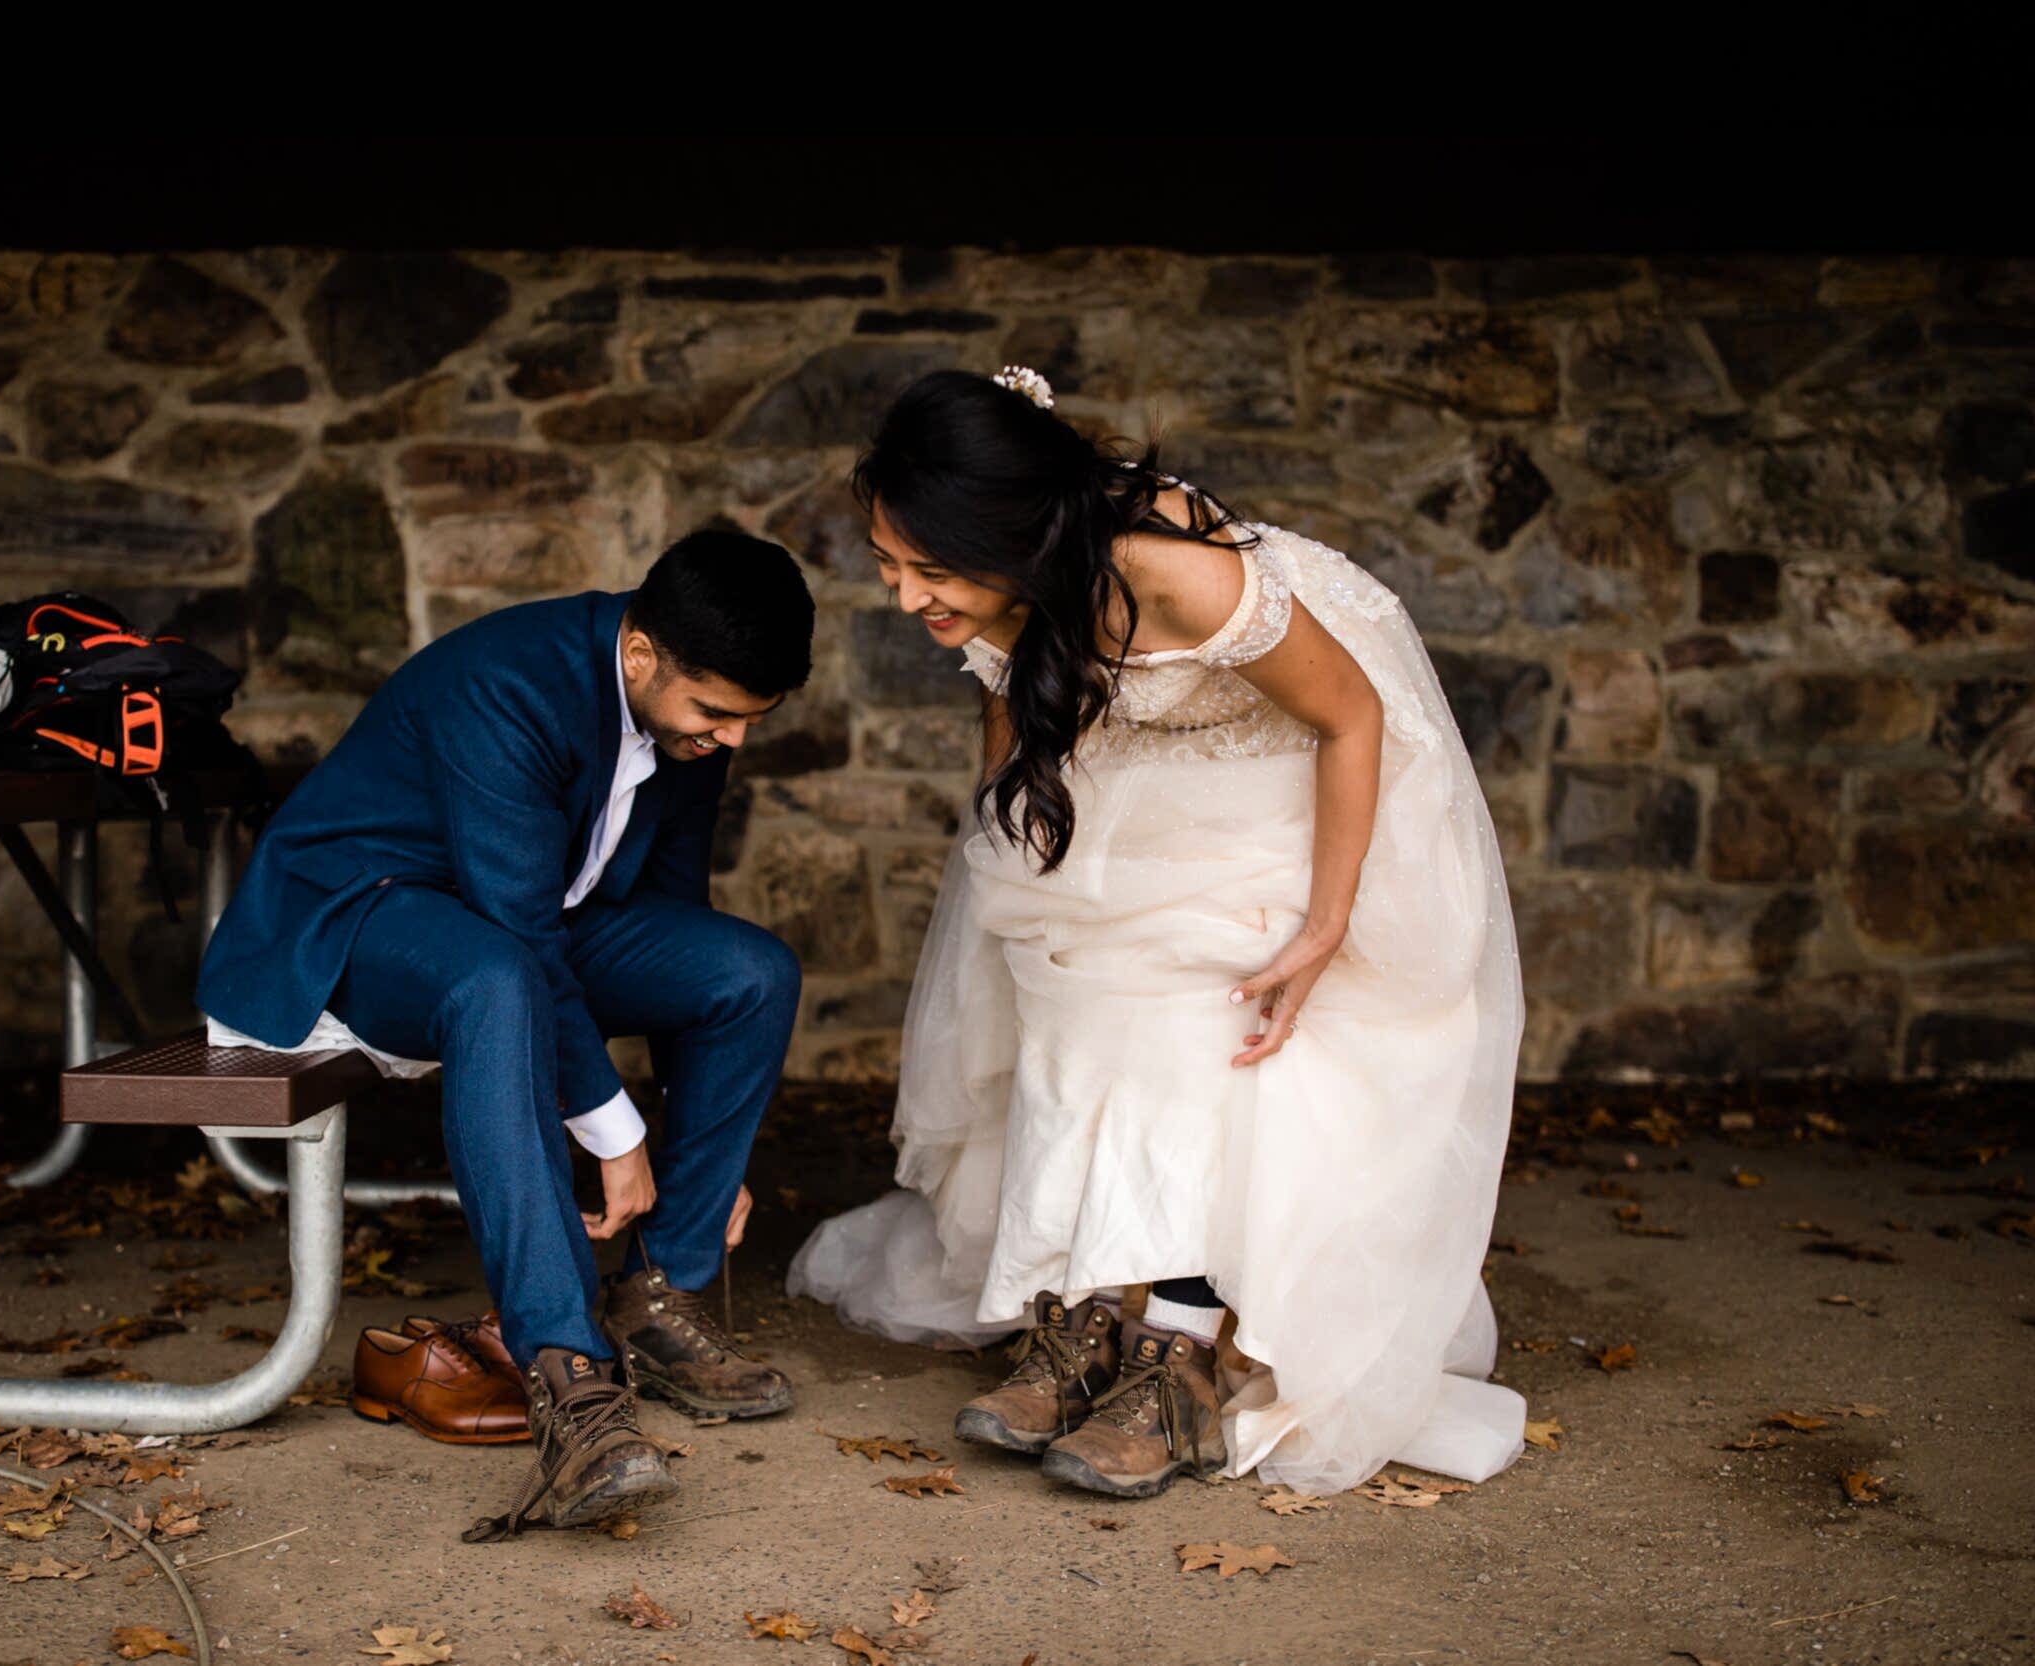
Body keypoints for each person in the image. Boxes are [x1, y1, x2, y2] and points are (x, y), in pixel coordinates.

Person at [788, 366, 1528, 1500]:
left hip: (1304, 760)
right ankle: (1084, 1304)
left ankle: (1175, 1350)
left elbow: (1349, 715)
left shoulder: (1178, 578)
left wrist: (1328, 923)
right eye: (890, 567)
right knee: (1065, 968)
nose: (904, 597)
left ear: (1016, 535)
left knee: (1201, 996)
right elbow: (1012, 703)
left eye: (927, 570)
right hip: (1146, 755)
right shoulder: (1010, 585)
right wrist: (1021, 883)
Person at [199, 529, 813, 1540]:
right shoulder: (509, 681)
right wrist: (618, 1136)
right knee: (497, 977)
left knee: (746, 970)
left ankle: (661, 1302)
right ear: (640, 654)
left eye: (751, 718)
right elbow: (517, 935)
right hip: (352, 923)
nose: (734, 739)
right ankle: (571, 1386)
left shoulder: (692, 720)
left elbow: (668, 908)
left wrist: (704, 1133)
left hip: (512, 931)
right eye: (717, 712)